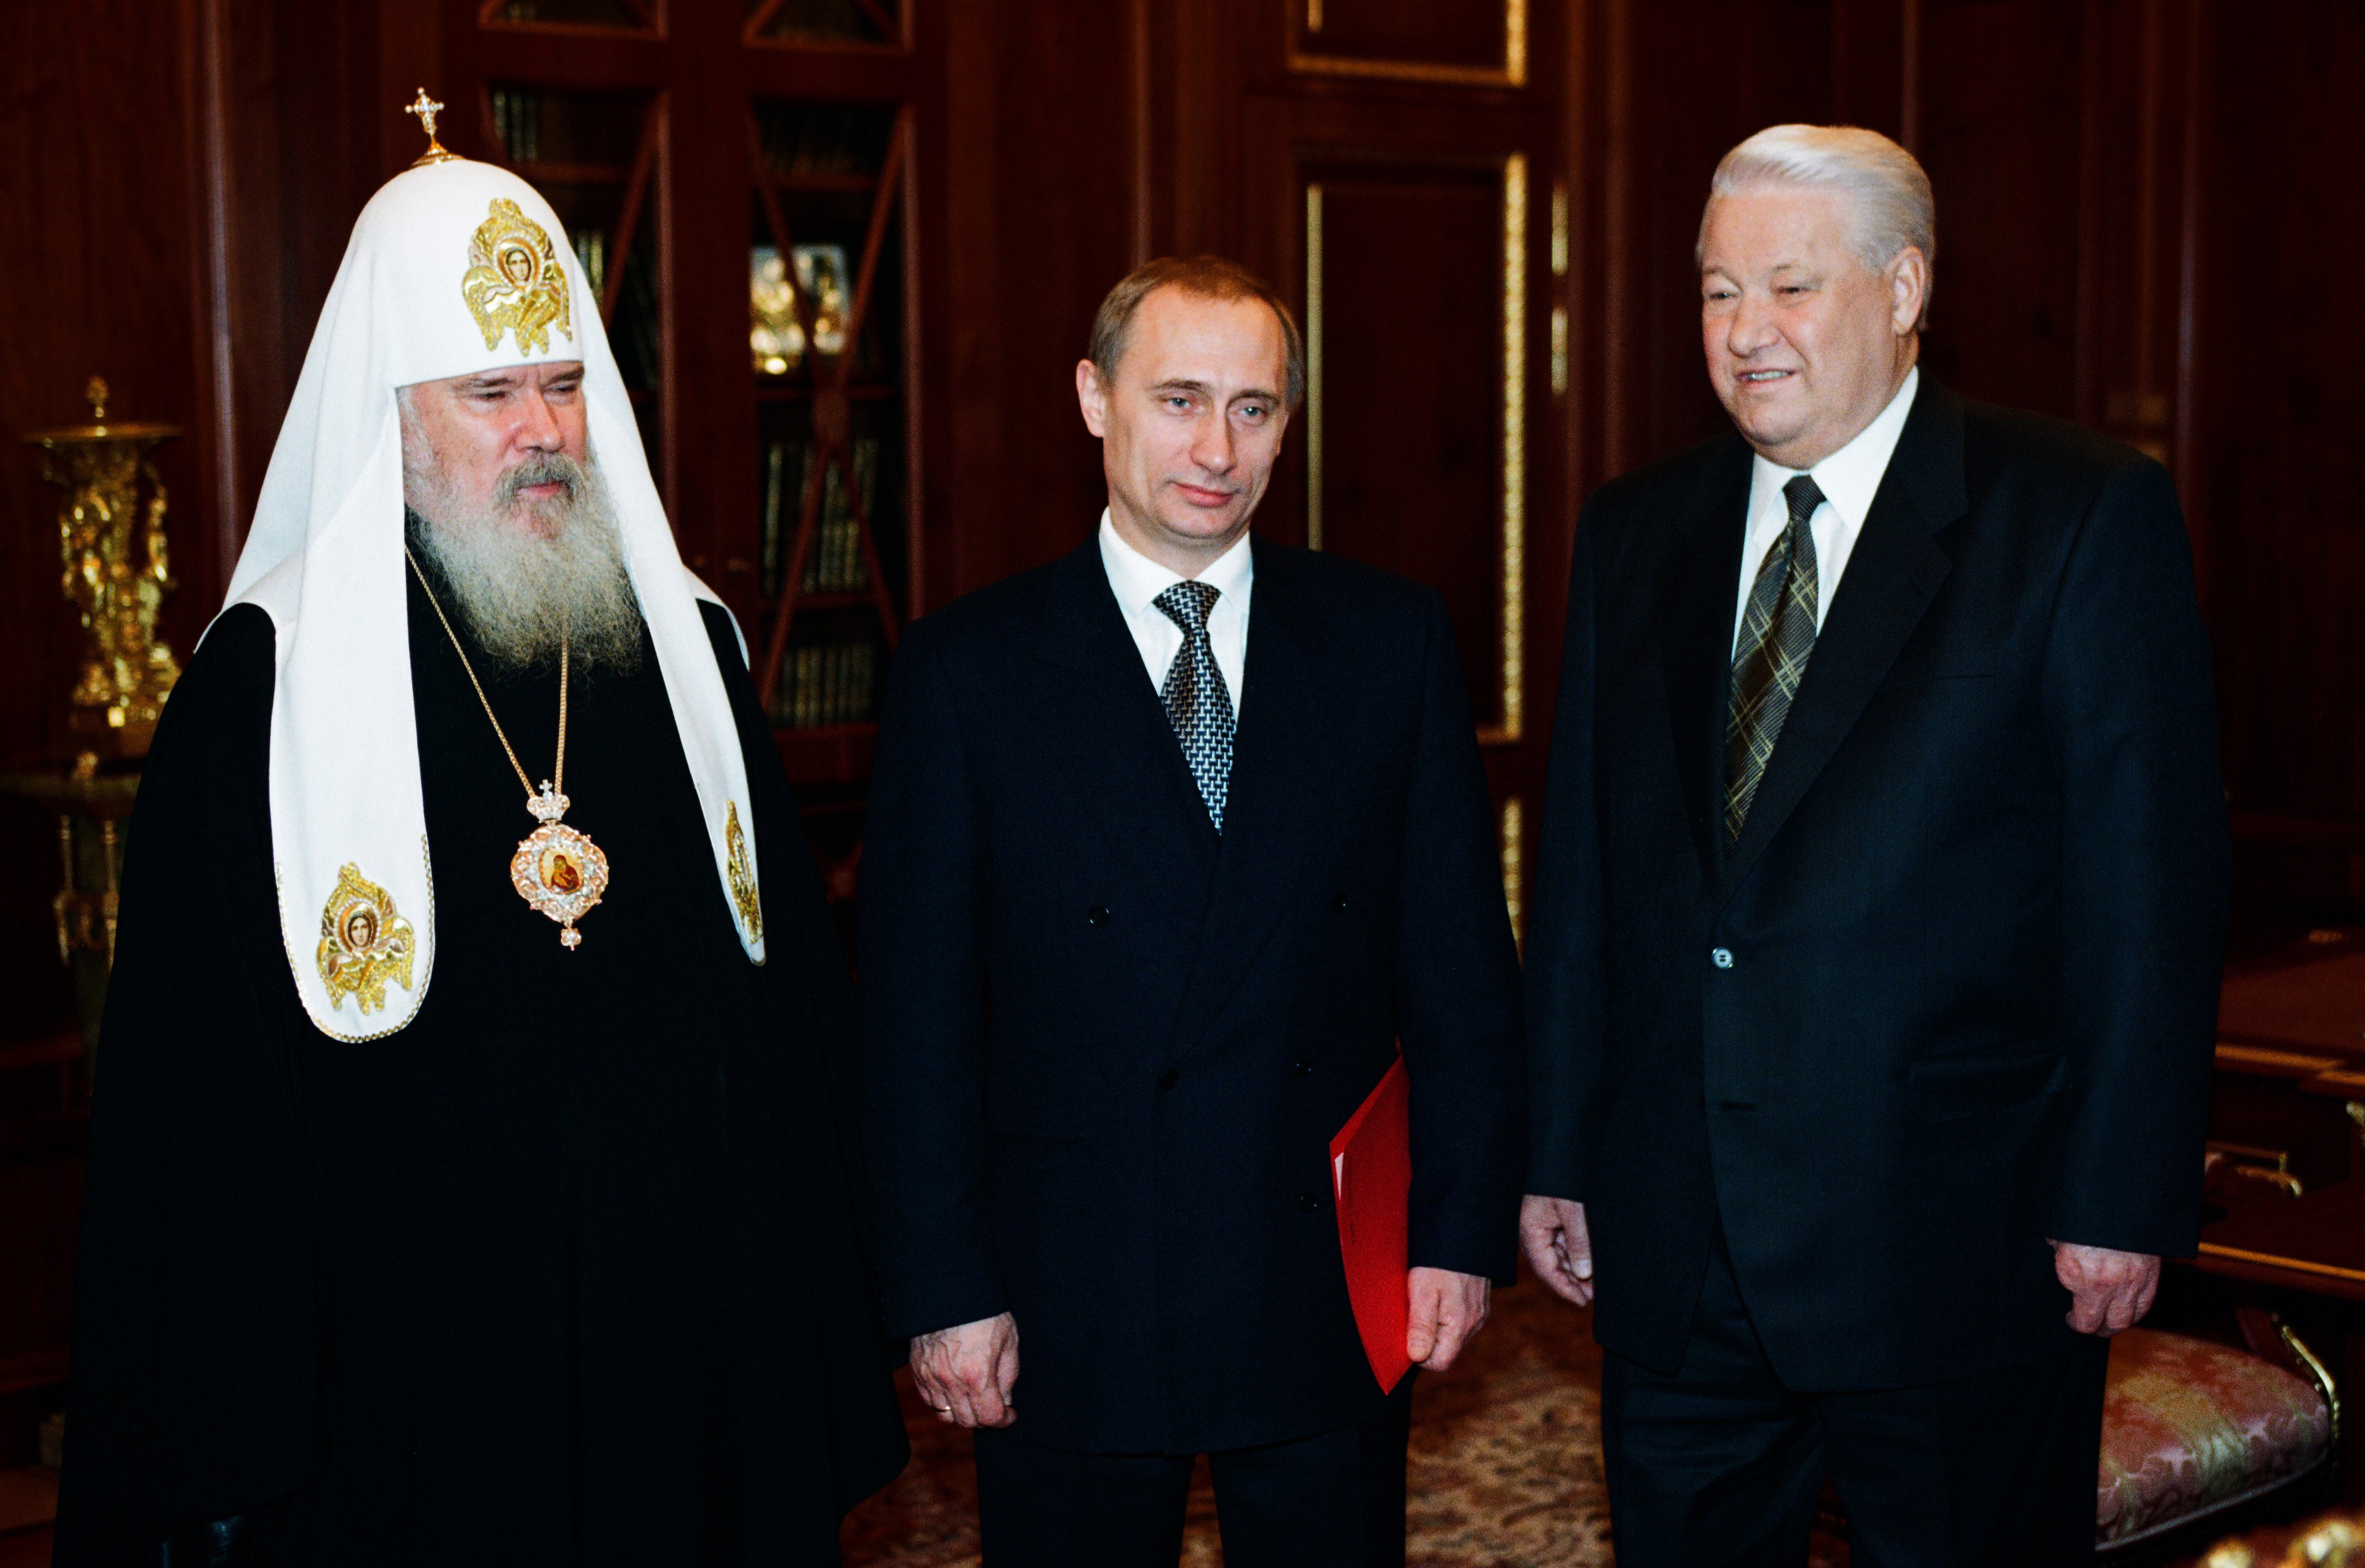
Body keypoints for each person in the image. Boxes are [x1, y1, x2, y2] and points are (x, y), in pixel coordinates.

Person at [54, 140, 906, 1565]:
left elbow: (785, 1021)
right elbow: (201, 1100)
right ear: (391, 416)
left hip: (675, 1334)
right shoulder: (266, 683)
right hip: (412, 1371)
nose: (544, 432)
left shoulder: (686, 646)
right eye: (492, 394)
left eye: (564, 385)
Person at [1520, 124, 2226, 1564]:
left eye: (1790, 287)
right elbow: (1587, 877)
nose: (1746, 332)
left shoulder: (2077, 514)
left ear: (1905, 289)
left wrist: (2119, 1193)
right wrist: (1559, 1148)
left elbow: (2148, 890)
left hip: (1957, 1247)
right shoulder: (1633, 530)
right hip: (1679, 1242)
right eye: (1719, 292)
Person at [857, 256, 1524, 1566]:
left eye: (1253, 408)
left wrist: (1457, 1230)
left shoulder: (1391, 642)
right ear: (1094, 399)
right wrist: (944, 1287)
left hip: (1326, 1272)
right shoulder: (967, 671)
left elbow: (1460, 971)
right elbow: (914, 1021)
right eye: (1179, 400)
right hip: (1071, 1285)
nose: (1218, 450)